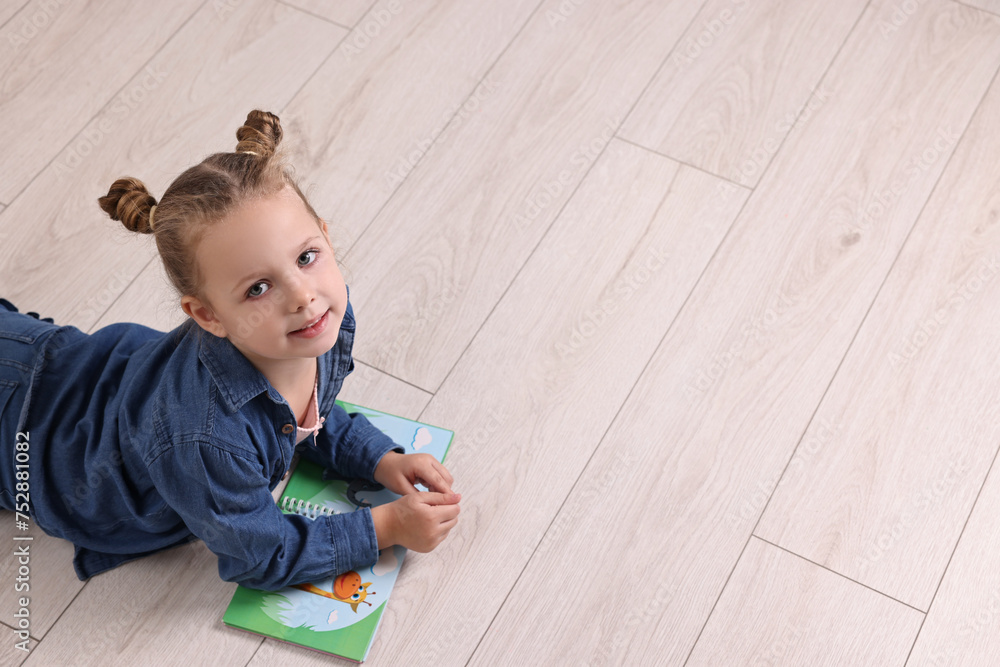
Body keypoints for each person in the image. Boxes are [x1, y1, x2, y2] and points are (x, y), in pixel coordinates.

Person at [0, 110, 460, 591]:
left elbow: (304, 414)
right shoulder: (205, 439)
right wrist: (384, 527)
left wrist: (378, 459)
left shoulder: (318, 320)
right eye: (259, 288)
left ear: (326, 234)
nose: (302, 294)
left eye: (306, 257)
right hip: (30, 439)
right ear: (207, 316)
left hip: (68, 368)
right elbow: (261, 556)